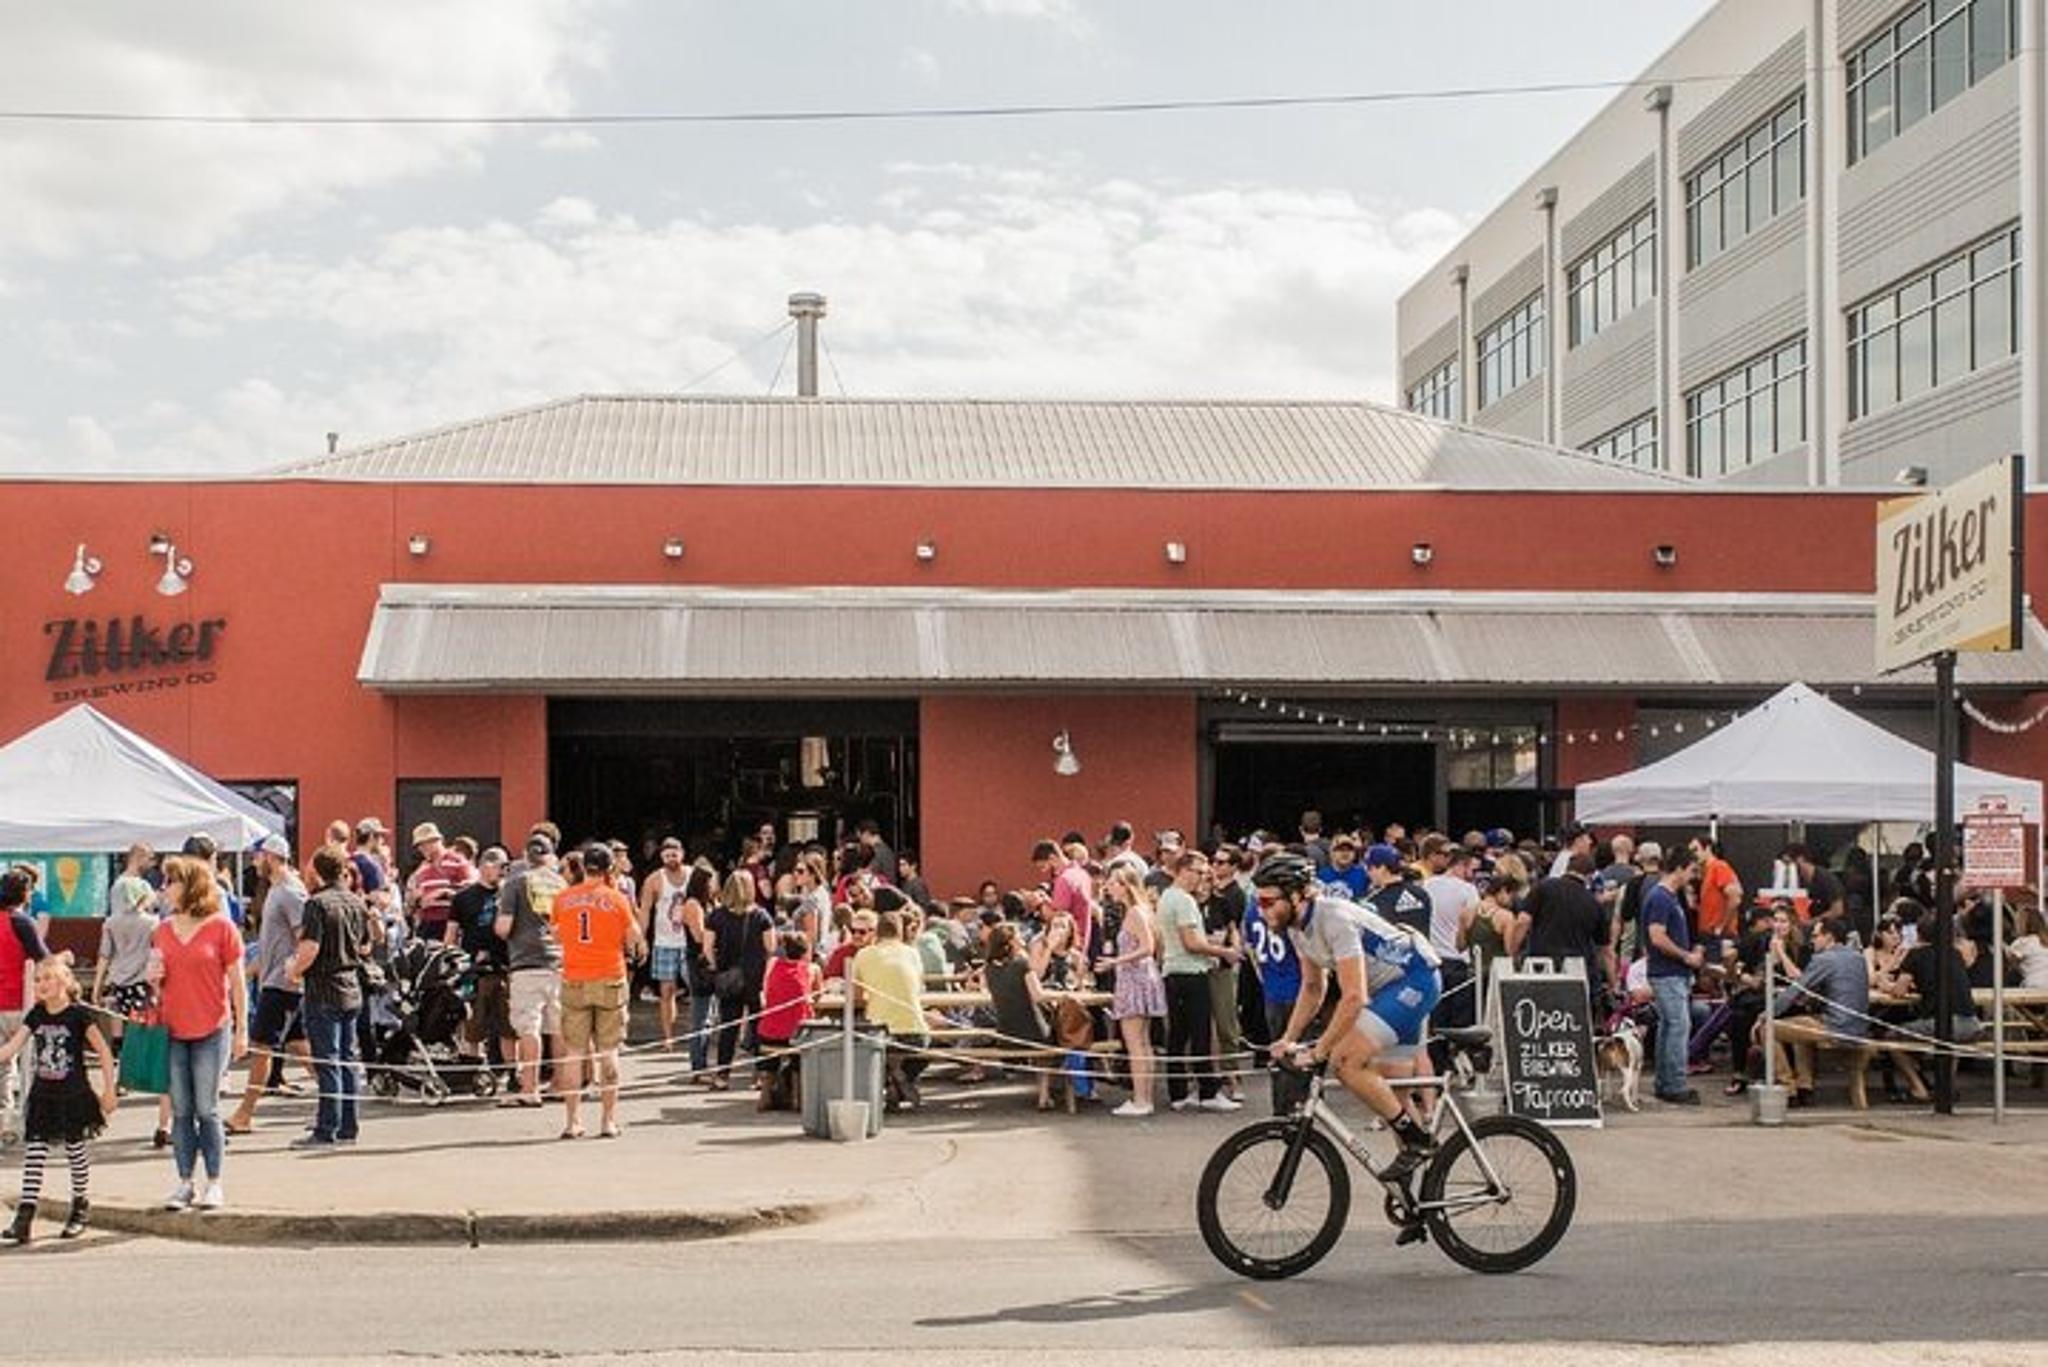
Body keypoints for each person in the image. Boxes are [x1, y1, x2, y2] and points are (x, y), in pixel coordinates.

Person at [1253, 852, 1443, 1194]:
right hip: (1391, 986)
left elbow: (1354, 997)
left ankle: (1418, 1141)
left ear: (1297, 896)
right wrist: (1288, 1038)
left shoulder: (1333, 918)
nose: (1261, 909)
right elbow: (1313, 988)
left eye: (1267, 901)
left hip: (1413, 981)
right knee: (1392, 1095)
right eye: (1258, 902)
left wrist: (1320, 1051)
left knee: (1344, 1061)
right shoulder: (1297, 927)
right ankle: (1417, 1201)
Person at [150, 855, 247, 1209]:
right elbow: (159, 987)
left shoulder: (222, 927)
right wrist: (153, 980)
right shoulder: (161, 930)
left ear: (189, 885)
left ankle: (215, 1181)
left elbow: (237, 983)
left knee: (207, 1108)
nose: (164, 889)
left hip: (212, 1027)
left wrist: (241, 1030)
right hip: (173, 1028)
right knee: (181, 1110)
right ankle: (184, 1181)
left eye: (170, 882)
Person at [0, 954, 115, 1244]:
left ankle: (80, 1207)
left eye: (48, 978)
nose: (41, 984)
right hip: (43, 1095)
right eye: (38, 980)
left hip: (73, 1095)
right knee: (35, 1153)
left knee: (75, 1151)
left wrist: (109, 1089)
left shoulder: (78, 1015)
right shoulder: (36, 1014)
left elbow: (103, 1050)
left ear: (65, 981)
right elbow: (12, 1047)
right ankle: (24, 1217)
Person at [549, 844, 645, 1139]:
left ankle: (573, 1120)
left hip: (575, 976)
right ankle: (608, 1120)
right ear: (608, 868)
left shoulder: (563, 898)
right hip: (609, 977)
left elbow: (555, 934)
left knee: (575, 1052)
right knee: (609, 1051)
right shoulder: (616, 899)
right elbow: (634, 939)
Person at [287, 844, 372, 1149]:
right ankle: (348, 1125)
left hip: (323, 986)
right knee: (348, 1059)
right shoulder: (355, 902)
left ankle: (327, 1128)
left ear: (317, 871)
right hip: (351, 984)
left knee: (328, 1060)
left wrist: (294, 971)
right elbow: (366, 945)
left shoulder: (317, 904)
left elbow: (310, 948)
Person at [227, 835, 310, 1134]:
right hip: (276, 981)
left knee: (263, 1048)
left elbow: (305, 937)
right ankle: (333, 1104)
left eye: (258, 856)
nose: (254, 862)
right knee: (303, 1048)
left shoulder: (290, 892)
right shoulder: (277, 890)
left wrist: (295, 971)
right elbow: (271, 945)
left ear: (272, 857)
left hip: (282, 985)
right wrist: (246, 973)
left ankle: (244, 1114)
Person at [1158, 850, 1241, 1113]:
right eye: (1199, 872)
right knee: (1200, 1034)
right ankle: (1207, 1092)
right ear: (1184, 870)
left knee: (1179, 1035)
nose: (1202, 878)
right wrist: (1223, 952)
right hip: (1190, 973)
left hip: (1174, 969)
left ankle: (1179, 1093)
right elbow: (1192, 942)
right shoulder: (1183, 900)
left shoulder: (1167, 897)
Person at [1765, 915, 1870, 1108]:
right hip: (1860, 1029)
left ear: (1829, 937)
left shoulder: (1823, 959)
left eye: (1815, 936)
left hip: (1835, 1028)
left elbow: (1794, 992)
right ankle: (1805, 1086)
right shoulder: (1858, 958)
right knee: (1802, 1026)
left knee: (1767, 1029)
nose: (1812, 940)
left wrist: (1766, 1014)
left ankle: (1788, 1087)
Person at [495, 833, 566, 1107]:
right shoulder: (559, 884)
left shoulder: (516, 883)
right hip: (557, 962)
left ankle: (529, 1087)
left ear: (526, 855)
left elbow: (504, 927)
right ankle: (560, 1084)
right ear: (549, 855)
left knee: (529, 1026)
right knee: (557, 1027)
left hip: (525, 962)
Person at [1640, 846, 1705, 1106]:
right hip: (1668, 972)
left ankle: (1666, 1082)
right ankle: (1674, 1083)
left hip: (1669, 971)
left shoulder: (1668, 897)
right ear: (1679, 868)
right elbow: (1657, 936)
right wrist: (1685, 956)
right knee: (1678, 1025)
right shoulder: (1661, 898)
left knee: (1670, 1026)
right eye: (1691, 870)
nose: (1693, 876)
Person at [1095, 875, 1164, 1117]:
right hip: (1140, 977)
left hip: (1134, 979)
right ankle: (1144, 1097)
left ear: (1126, 886)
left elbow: (1147, 947)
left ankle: (1141, 1099)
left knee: (1136, 1043)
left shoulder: (1135, 912)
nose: (1109, 887)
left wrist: (1116, 961)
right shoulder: (1141, 910)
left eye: (1114, 883)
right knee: (1143, 1043)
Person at [851, 910, 933, 1111]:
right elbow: (919, 987)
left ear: (876, 932)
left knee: (863, 1043)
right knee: (926, 1043)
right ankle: (900, 1078)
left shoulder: (863, 955)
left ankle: (892, 1080)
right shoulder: (912, 953)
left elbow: (856, 998)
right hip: (916, 1035)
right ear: (900, 932)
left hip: (880, 1034)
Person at [451, 847, 515, 1089]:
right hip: (474, 970)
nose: (503, 872)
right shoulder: (464, 898)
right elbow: (451, 934)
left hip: (504, 967)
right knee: (473, 1025)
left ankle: (512, 1073)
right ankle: (472, 1072)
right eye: (501, 866)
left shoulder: (510, 895)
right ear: (485, 866)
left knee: (509, 1026)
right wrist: (454, 964)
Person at [705, 869, 774, 1086]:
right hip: (755, 976)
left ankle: (723, 1075)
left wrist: (717, 967)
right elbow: (770, 947)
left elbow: (707, 948)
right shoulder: (761, 915)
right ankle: (761, 1075)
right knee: (758, 1026)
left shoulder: (716, 916)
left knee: (729, 1027)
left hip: (729, 976)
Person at [1516, 852, 1616, 996]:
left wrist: (1512, 953)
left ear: (1567, 868)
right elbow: (1606, 950)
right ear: (1590, 875)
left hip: (1541, 967)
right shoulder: (1593, 903)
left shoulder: (1543, 887)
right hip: (1578, 972)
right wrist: (1614, 984)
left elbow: (1523, 921)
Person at [0, 870, 51, 1130]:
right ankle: (26, 1119)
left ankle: (3, 1120)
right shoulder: (22, 922)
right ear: (25, 893)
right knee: (27, 1061)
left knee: (3, 1066)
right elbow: (45, 960)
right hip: (19, 1003)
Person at [638, 838, 693, 1051]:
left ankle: (699, 1033)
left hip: (689, 942)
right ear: (661, 856)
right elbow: (645, 910)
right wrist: (641, 938)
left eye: (675, 854)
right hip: (664, 942)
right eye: (667, 854)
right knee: (666, 991)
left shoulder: (693, 875)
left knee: (697, 989)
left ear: (682, 854)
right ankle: (668, 1038)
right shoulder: (654, 879)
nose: (671, 858)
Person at [755, 932, 819, 1111]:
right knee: (801, 1049)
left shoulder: (772, 964)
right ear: (806, 951)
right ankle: (798, 1096)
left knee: (770, 1051)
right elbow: (818, 994)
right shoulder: (811, 969)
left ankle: (766, 1093)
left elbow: (766, 991)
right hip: (797, 1032)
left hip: (770, 1030)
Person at [403, 822, 476, 945]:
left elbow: (471, 892)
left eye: (423, 844)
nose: (421, 849)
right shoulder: (422, 869)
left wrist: (444, 893)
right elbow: (410, 904)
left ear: (436, 841)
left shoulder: (458, 862)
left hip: (451, 924)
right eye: (419, 846)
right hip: (427, 924)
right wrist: (416, 899)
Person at [1032, 838, 1097, 966]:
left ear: (1052, 858)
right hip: (1082, 941)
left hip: (1067, 947)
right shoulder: (1082, 874)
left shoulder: (1064, 879)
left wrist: (1039, 903)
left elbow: (1058, 918)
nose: (1043, 871)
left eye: (1043, 866)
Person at [1362, 844, 1431, 939]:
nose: (1368, 873)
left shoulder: (1375, 902)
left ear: (1382, 868)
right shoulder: (1421, 893)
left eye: (1370, 868)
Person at [1691, 836, 1744, 939]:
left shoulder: (1719, 867)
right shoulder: (1707, 872)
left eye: (1695, 850)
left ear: (1708, 848)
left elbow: (1735, 899)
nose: (1693, 855)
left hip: (1718, 936)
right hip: (1709, 934)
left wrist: (1721, 926)